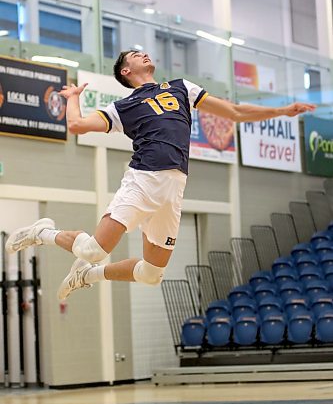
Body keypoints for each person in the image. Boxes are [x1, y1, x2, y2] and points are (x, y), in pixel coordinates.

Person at [5, 50, 316, 300]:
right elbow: (76, 126)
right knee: (93, 249)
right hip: (143, 180)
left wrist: (281, 110)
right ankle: (41, 232)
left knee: (152, 274)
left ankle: (86, 275)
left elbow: (233, 112)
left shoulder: (181, 87)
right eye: (136, 55)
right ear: (126, 71)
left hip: (174, 186)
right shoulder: (123, 106)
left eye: (144, 53)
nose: (144, 55)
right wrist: (72, 96)